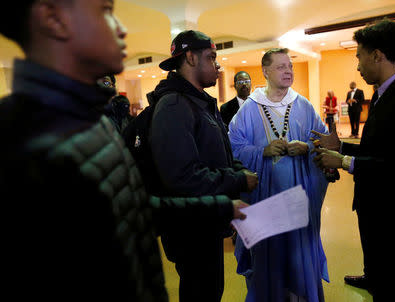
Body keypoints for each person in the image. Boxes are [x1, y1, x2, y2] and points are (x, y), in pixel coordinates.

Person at [0, 2, 248, 301]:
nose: (120, 27)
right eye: (104, 11)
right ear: (53, 20)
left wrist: (219, 207)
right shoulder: (25, 136)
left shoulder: (91, 121)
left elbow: (130, 207)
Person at [311, 18, 395, 301]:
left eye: (359, 57)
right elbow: (382, 149)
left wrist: (343, 161)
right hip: (380, 212)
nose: (357, 66)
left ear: (376, 55)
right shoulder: (386, 93)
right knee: (381, 280)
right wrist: (342, 146)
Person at [148, 30, 258, 302]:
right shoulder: (174, 106)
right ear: (190, 58)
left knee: (211, 291)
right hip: (191, 231)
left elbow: (218, 151)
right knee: (201, 293)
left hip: (207, 223)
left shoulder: (200, 103)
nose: (218, 67)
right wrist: (236, 181)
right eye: (211, 58)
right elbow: (182, 177)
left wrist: (237, 169)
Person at [228, 48, 331, 302]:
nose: (288, 71)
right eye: (281, 67)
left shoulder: (303, 105)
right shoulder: (249, 109)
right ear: (265, 71)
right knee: (268, 259)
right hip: (265, 202)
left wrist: (307, 147)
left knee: (298, 257)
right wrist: (261, 151)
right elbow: (233, 148)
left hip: (299, 202)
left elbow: (325, 140)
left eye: (290, 66)